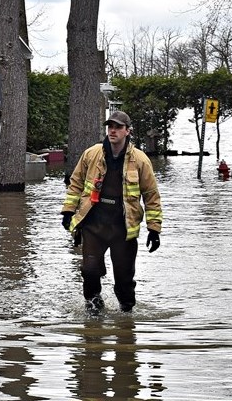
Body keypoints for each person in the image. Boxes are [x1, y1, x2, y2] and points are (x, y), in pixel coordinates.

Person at [61, 110, 163, 313]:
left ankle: (126, 318)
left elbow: (151, 196)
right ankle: (93, 311)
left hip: (123, 229)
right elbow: (76, 183)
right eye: (110, 127)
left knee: (124, 280)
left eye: (118, 127)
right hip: (94, 226)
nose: (113, 131)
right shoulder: (92, 154)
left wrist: (154, 229)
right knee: (89, 271)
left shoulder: (140, 160)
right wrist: (68, 211)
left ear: (128, 131)